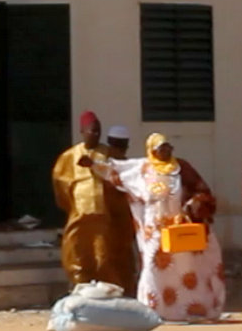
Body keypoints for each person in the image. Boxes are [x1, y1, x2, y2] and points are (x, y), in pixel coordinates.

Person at [87, 133, 226, 321]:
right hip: (155, 230)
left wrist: (194, 203)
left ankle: (191, 309)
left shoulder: (181, 168)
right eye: (162, 148)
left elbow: (202, 190)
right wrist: (94, 164)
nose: (166, 151)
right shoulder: (143, 169)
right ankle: (153, 309)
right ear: (152, 150)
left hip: (181, 226)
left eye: (168, 147)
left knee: (187, 268)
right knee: (154, 265)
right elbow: (118, 170)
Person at [51, 110, 135, 292]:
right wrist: (75, 206)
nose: (95, 134)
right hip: (79, 217)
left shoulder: (109, 153)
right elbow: (61, 188)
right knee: (77, 253)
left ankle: (110, 291)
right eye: (91, 131)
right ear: (82, 131)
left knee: (103, 256)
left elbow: (122, 175)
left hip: (105, 217)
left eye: (98, 131)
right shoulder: (69, 157)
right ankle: (80, 287)